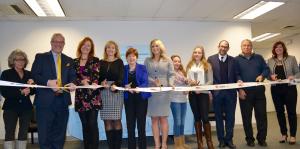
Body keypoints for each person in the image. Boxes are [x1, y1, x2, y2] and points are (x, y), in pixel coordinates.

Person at [31, 33, 76, 149]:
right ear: (51, 43)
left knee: (60, 135)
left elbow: (73, 76)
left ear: (64, 44)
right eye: (56, 41)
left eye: (61, 42)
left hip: (62, 101)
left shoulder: (69, 60)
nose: (58, 44)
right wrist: (47, 82)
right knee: (45, 134)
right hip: (45, 103)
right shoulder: (41, 57)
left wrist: (73, 83)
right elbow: (34, 75)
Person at [235, 39, 270, 147]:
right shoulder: (236, 60)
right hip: (244, 93)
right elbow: (235, 75)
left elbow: (266, 69)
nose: (246, 47)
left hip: (259, 93)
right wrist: (239, 89)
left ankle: (262, 139)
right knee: (246, 118)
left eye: (249, 45)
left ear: (251, 47)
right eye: (244, 45)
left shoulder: (259, 57)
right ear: (241, 47)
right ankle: (249, 139)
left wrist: (262, 75)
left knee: (262, 117)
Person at [267, 41, 300, 145]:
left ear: (283, 48)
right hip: (276, 90)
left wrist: (293, 77)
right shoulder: (270, 60)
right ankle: (284, 134)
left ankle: (293, 136)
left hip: (290, 89)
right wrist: (270, 77)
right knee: (280, 113)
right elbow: (268, 74)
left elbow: (298, 72)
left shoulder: (292, 58)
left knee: (291, 113)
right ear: (274, 49)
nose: (278, 49)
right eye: (276, 47)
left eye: (280, 47)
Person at [1, 49, 35, 149]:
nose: (20, 62)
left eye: (23, 59)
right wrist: (21, 92)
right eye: (17, 59)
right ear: (12, 61)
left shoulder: (29, 74)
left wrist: (32, 86)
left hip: (26, 108)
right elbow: (4, 92)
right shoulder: (6, 73)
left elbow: (34, 92)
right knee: (10, 132)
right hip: (10, 108)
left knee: (23, 132)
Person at [144, 39, 175, 149]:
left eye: (157, 46)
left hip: (164, 91)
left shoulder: (168, 60)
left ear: (160, 47)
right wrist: (153, 81)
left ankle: (164, 144)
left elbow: (172, 74)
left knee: (163, 118)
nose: (155, 48)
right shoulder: (147, 60)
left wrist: (170, 84)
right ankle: (157, 144)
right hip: (152, 91)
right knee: (154, 119)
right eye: (152, 46)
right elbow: (144, 75)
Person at [207, 40, 238, 149]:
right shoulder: (210, 59)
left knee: (230, 117)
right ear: (218, 47)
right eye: (221, 46)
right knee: (218, 118)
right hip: (217, 94)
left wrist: (239, 81)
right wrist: (210, 92)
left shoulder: (233, 60)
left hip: (231, 94)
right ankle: (221, 140)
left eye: (225, 47)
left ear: (228, 48)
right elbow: (208, 76)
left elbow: (237, 74)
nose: (223, 48)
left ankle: (229, 140)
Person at [73, 37, 102, 149]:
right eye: (84, 44)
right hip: (80, 97)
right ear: (80, 46)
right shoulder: (74, 62)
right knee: (85, 125)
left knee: (92, 124)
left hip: (93, 97)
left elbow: (96, 76)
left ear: (91, 48)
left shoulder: (95, 60)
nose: (86, 47)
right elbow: (72, 77)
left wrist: (92, 83)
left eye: (88, 45)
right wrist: (81, 81)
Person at [186, 46, 214, 149]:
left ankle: (209, 142)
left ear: (202, 54)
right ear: (193, 54)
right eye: (195, 52)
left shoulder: (207, 65)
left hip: (203, 93)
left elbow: (210, 81)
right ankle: (199, 143)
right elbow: (187, 80)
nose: (197, 54)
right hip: (192, 94)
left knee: (205, 118)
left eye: (199, 52)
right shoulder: (189, 65)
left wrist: (200, 88)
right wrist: (191, 83)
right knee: (197, 118)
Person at [123, 48, 151, 149]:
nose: (131, 58)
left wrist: (140, 88)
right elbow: (120, 82)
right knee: (130, 126)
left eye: (133, 56)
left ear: (136, 57)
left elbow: (145, 82)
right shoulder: (124, 68)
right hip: (128, 100)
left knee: (141, 125)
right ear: (126, 58)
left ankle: (143, 147)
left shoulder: (142, 67)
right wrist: (125, 86)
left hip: (141, 99)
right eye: (129, 56)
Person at [99, 40, 124, 149]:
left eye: (113, 48)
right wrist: (101, 83)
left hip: (116, 91)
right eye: (108, 47)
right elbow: (98, 77)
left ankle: (117, 146)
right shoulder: (101, 62)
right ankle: (111, 146)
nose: (110, 49)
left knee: (117, 120)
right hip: (104, 92)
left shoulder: (119, 62)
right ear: (106, 50)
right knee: (107, 121)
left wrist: (115, 84)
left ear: (116, 50)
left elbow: (121, 77)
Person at [170, 55, 191, 149]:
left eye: (179, 61)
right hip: (175, 100)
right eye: (175, 61)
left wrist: (187, 89)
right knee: (177, 122)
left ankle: (182, 143)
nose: (177, 63)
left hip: (183, 99)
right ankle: (177, 145)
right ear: (171, 63)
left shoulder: (182, 72)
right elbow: (173, 84)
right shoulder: (170, 73)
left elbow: (186, 84)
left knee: (182, 122)